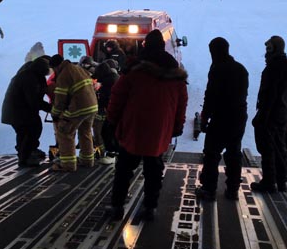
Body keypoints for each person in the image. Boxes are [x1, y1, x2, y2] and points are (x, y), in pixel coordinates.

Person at [107, 30, 188, 221]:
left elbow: (117, 97)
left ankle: (117, 206)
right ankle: (150, 207)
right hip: (159, 129)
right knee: (154, 169)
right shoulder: (175, 74)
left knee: (124, 169)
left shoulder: (133, 70)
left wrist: (111, 121)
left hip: (134, 127)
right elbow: (181, 104)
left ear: (145, 46)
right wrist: (177, 126)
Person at [195, 37, 249, 201]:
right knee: (234, 154)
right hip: (238, 118)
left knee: (211, 154)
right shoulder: (241, 69)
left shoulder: (217, 69)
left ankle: (209, 190)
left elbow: (210, 96)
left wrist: (204, 119)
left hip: (221, 119)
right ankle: (232, 190)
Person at [251, 35, 287, 193]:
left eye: (268, 48)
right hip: (282, 112)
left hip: (271, 113)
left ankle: (269, 182)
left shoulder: (273, 67)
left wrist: (263, 116)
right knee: (280, 146)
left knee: (268, 148)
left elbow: (270, 94)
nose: (266, 52)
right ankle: (281, 181)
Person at [50, 55, 98, 171]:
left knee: (65, 132)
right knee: (85, 132)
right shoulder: (78, 69)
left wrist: (55, 114)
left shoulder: (64, 75)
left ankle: (68, 165)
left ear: (56, 67)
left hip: (78, 108)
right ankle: (87, 161)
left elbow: (60, 99)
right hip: (92, 107)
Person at [1, 56, 52, 167]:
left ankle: (30, 151)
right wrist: (51, 108)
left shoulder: (36, 75)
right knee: (26, 132)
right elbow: (33, 100)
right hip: (17, 112)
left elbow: (41, 91)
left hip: (24, 110)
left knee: (34, 128)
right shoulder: (28, 77)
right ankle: (25, 157)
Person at [93, 61, 120, 164]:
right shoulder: (114, 77)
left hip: (111, 110)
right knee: (112, 132)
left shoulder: (108, 82)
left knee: (106, 132)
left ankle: (111, 153)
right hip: (116, 109)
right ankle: (115, 153)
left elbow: (105, 97)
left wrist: (98, 103)